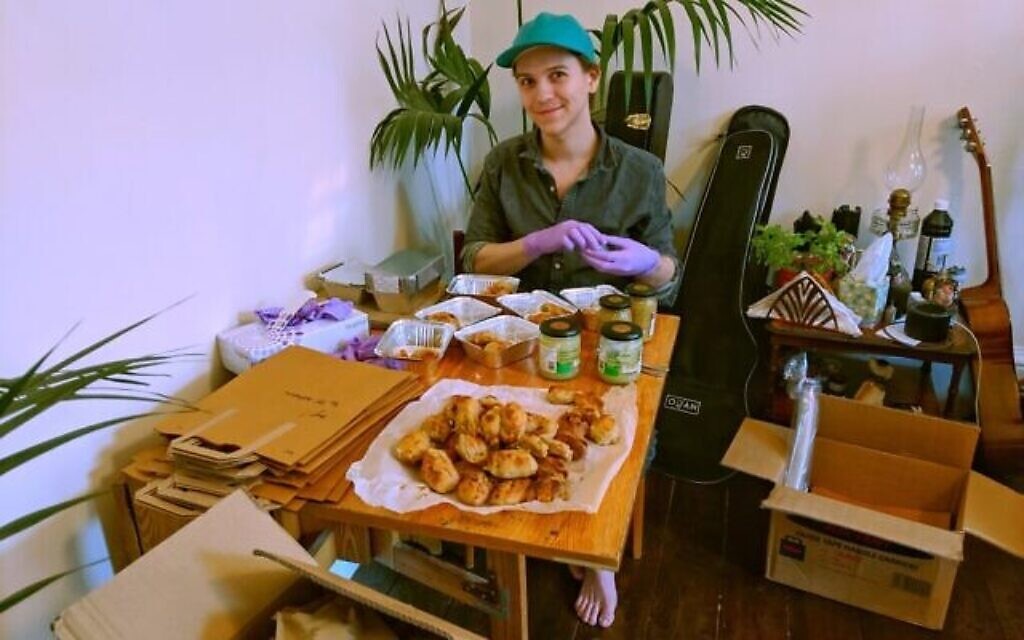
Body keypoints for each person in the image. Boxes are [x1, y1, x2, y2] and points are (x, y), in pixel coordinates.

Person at [459, 12, 680, 629]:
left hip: (605, 343)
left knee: (613, 437)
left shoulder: (639, 171)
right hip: (520, 341)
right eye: (527, 82)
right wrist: (538, 242)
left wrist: (646, 262)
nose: (542, 94)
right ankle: (553, 537)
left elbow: (670, 274)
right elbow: (473, 259)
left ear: (591, 78)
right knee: (503, 438)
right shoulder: (505, 164)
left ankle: (592, 552)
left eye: (557, 75)